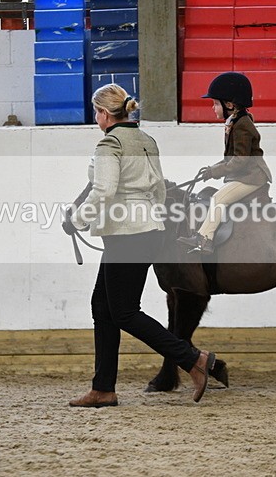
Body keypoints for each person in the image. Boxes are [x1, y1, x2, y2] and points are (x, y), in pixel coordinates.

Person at [62, 83, 217, 407]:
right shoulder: (147, 140)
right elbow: (159, 190)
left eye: (96, 112)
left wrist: (77, 220)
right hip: (148, 229)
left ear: (104, 114)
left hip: (125, 233)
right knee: (103, 308)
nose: (96, 118)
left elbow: (102, 191)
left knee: (124, 312)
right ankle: (103, 388)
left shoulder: (109, 145)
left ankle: (193, 359)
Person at [178, 72, 272, 254]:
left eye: (215, 103)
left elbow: (241, 161)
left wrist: (215, 173)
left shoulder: (242, 125)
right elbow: (231, 158)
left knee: (218, 199)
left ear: (229, 105)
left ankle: (205, 239)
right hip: (245, 174)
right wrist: (212, 169)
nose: (213, 108)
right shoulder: (235, 121)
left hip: (251, 177)